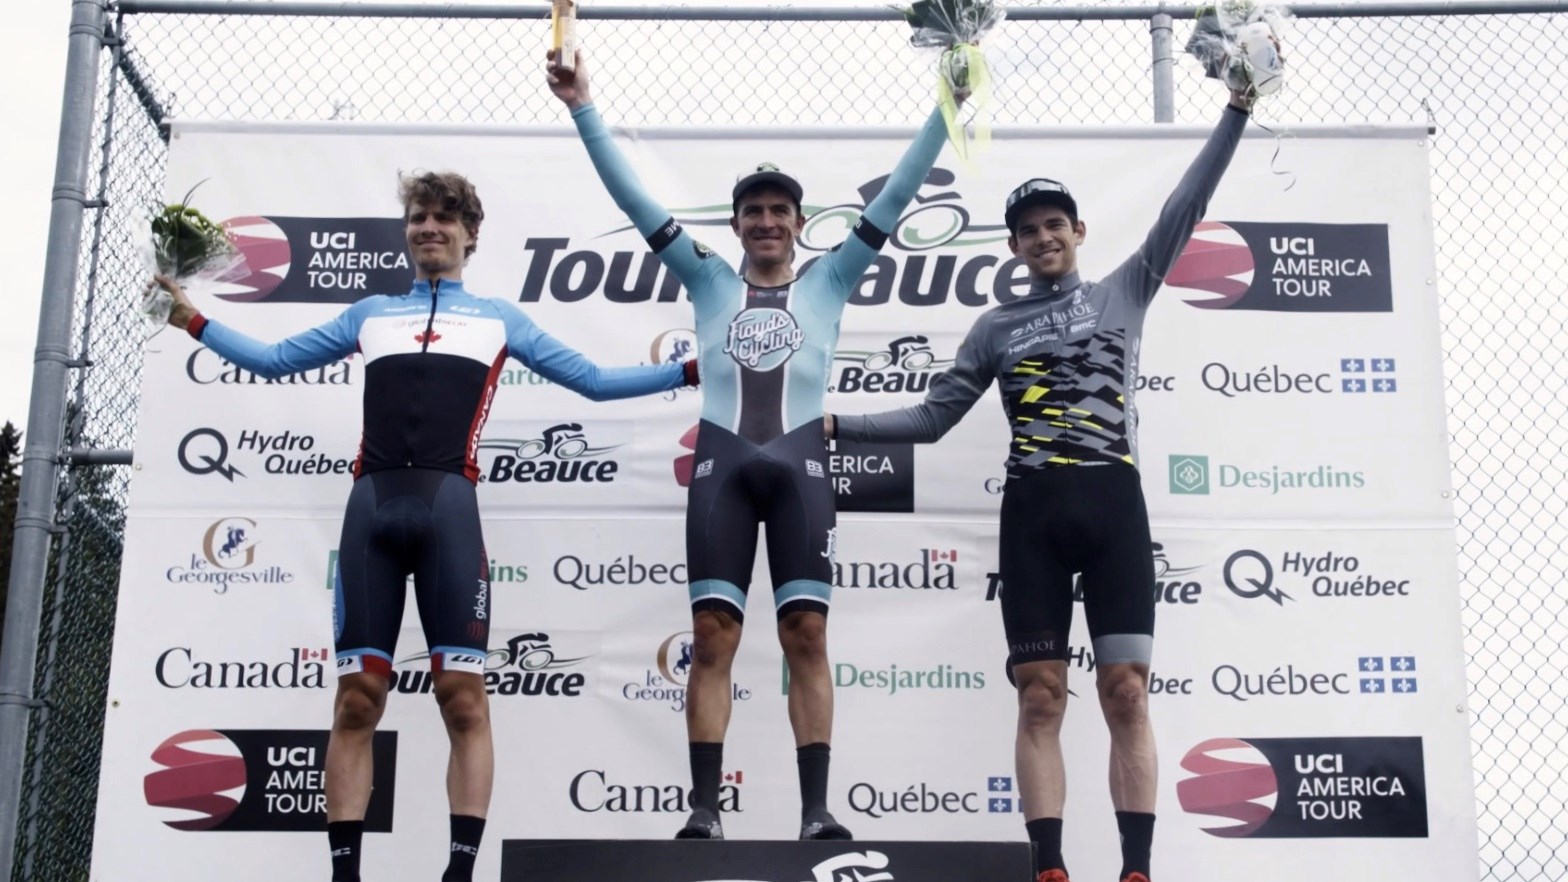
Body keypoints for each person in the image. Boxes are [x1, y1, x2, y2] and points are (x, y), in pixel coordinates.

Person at [152, 171, 696, 882]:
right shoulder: (369, 313)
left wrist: (690, 370)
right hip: (371, 509)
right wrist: (189, 316)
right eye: (417, 218)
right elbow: (277, 361)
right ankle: (344, 873)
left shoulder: (500, 318)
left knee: (462, 698)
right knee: (356, 700)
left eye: (444, 218)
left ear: (471, 234)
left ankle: (459, 872)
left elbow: (591, 379)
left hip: (449, 512)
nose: (429, 228)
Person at [827, 87, 1254, 882]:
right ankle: (1049, 867)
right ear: (1016, 248)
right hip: (1032, 516)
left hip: (1112, 503)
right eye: (1028, 230)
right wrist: (836, 425)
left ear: (1078, 232)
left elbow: (1189, 200)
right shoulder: (995, 329)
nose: (1043, 236)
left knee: (1126, 692)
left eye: (1055, 223)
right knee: (1041, 697)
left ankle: (1136, 869)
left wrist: (1236, 107)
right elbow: (932, 418)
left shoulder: (1124, 289)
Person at [546, 49, 961, 841]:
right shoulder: (705, 279)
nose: (766, 222)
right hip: (724, 466)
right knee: (712, 636)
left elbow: (902, 191)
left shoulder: (832, 279)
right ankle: (704, 809)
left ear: (801, 224)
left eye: (780, 211)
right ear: (735, 224)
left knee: (806, 633)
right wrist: (582, 106)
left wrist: (950, 104)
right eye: (753, 211)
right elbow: (634, 201)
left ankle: (816, 812)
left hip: (802, 465)